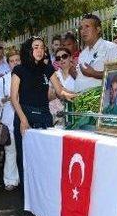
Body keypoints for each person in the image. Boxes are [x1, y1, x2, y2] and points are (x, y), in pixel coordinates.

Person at [11, 37, 76, 186]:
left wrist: (77, 96)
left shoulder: (47, 68)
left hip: (44, 118)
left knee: (43, 158)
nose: (40, 50)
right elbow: (14, 98)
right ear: (29, 50)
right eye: (36, 47)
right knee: (25, 159)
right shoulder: (19, 70)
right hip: (25, 118)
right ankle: (27, 198)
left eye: (42, 47)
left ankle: (43, 198)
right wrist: (23, 120)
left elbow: (60, 91)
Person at [0, 49, 21, 190]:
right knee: (11, 151)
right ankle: (10, 180)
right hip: (8, 120)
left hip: (24, 119)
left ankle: (23, 178)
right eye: (12, 61)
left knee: (24, 151)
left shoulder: (27, 77)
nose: (15, 63)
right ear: (8, 63)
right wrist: (7, 98)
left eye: (17, 60)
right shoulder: (2, 80)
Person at [74, 14, 117, 92]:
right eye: (81, 28)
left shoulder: (111, 48)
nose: (83, 31)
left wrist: (94, 74)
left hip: (100, 100)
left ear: (98, 29)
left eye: (87, 26)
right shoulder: (83, 54)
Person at [48, 47, 75, 127]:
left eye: (64, 56)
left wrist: (59, 90)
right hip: (57, 116)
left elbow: (80, 94)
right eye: (58, 58)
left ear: (70, 57)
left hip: (74, 113)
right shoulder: (54, 75)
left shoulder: (78, 73)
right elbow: (49, 96)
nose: (61, 59)